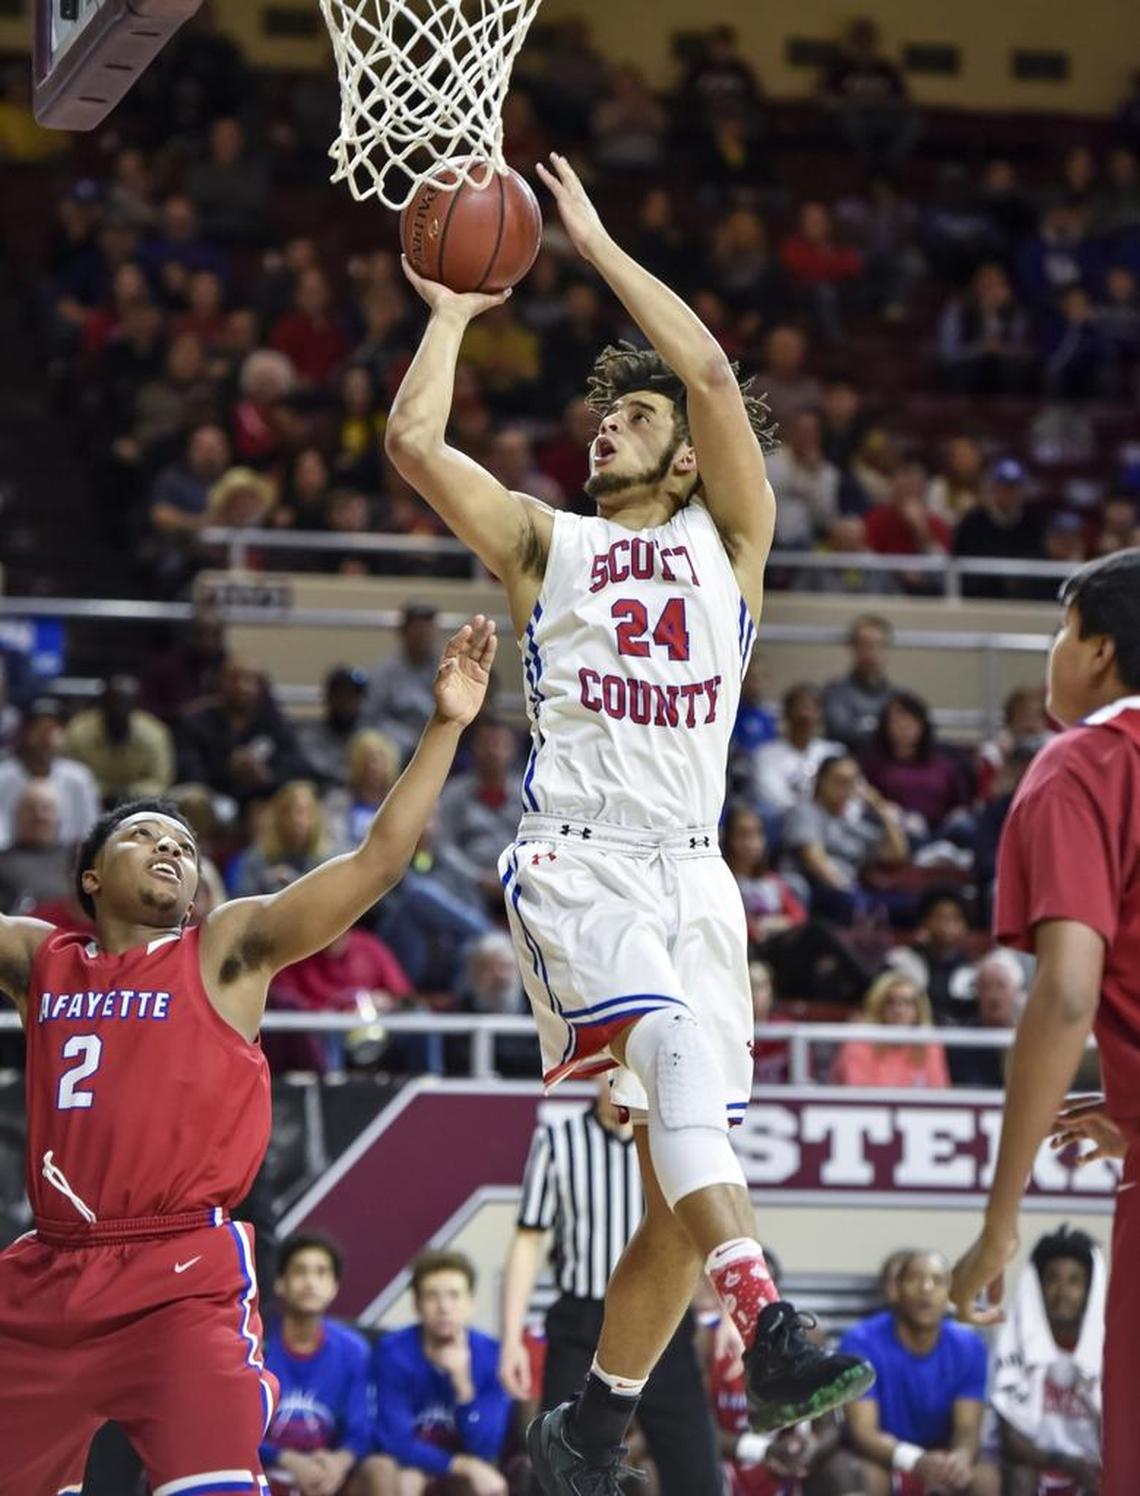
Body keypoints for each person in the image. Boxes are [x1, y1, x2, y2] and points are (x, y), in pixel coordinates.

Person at [385, 150, 873, 1494]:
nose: (608, 429)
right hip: (581, 862)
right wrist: (452, 311)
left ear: (682, 456)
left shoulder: (737, 542)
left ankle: (595, 1423)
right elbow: (416, 447)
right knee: (662, 1059)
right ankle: (766, 1317)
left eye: (633, 421)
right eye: (604, 419)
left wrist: (592, 245)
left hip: (696, 879)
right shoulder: (548, 542)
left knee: (676, 1180)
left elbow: (713, 377)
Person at [0, 615, 497, 1490]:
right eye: (144, 837)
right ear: (89, 877)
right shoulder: (44, 959)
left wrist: (446, 725)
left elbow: (379, 862)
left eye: (185, 847)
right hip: (48, 1273)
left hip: (176, 1274)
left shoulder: (223, 949)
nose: (171, 850)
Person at [949, 549, 1140, 1496]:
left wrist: (1000, 1217)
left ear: (1100, 650)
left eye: (1062, 632)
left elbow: (1067, 994)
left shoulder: (1085, 763)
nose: (1054, 653)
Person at [500, 1076, 723, 1496]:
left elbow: (707, 1229)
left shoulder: (672, 1144)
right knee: (556, 1469)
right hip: (581, 1322)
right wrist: (510, 1337)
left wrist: (730, 1315)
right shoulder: (558, 1139)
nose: (618, 1080)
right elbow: (528, 1239)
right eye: (610, 1071)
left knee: (696, 1471)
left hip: (663, 1324)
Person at [842, 1251, 997, 1495]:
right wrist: (914, 1459)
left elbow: (967, 1429)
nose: (926, 1288)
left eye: (938, 1281)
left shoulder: (969, 1346)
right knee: (862, 1476)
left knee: (985, 1478)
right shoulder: (860, 1341)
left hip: (942, 1453)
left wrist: (959, 1459)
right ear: (897, 1289)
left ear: (949, 1295)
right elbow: (863, 1432)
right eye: (915, 1278)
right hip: (885, 1455)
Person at [366, 1250, 511, 1495]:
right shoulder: (393, 1352)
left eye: (454, 1296)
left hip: (467, 1472)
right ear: (417, 1304)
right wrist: (461, 1464)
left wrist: (463, 1385)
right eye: (432, 1296)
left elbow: (487, 1447)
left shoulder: (491, 1354)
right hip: (414, 1466)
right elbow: (395, 1441)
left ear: (470, 1303)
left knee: (490, 1486)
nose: (444, 1307)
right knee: (406, 1481)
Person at [991, 1227, 1104, 1496]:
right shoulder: (1012, 1342)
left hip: (1094, 1468)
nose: (1062, 1292)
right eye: (1052, 1279)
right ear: (1037, 1288)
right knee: (1018, 1472)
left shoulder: (1110, 1349)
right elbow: (1012, 1442)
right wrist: (1068, 1462)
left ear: (1090, 1290)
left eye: (1075, 1281)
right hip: (1037, 1463)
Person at [261, 1234, 372, 1496]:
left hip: (326, 1477)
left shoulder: (354, 1350)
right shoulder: (255, 1343)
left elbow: (361, 1432)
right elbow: (234, 1431)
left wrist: (338, 1463)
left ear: (334, 1286)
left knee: (378, 1468)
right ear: (280, 1283)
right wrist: (286, 1458)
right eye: (300, 1271)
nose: (311, 1282)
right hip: (263, 1471)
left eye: (321, 1273)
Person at [781, 754, 908, 924]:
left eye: (851, 782)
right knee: (853, 904)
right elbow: (814, 859)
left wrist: (880, 808)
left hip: (854, 891)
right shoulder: (805, 812)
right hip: (820, 888)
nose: (844, 788)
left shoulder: (853, 823)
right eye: (838, 781)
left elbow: (896, 854)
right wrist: (850, 892)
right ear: (820, 781)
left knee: (907, 905)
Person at [175, 651, 308, 808]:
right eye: (234, 678)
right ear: (220, 681)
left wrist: (267, 777)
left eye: (249, 679)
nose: (242, 686)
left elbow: (295, 765)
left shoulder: (275, 721)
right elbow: (188, 771)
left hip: (262, 797)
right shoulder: (196, 721)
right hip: (213, 796)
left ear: (260, 685)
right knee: (193, 798)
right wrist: (227, 770)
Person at [434, 716, 523, 911]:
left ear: (511, 750)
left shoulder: (527, 795)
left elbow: (534, 844)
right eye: (485, 744)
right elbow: (444, 846)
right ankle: (483, 935)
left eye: (498, 744)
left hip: (518, 881)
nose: (492, 751)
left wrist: (514, 875)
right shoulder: (454, 792)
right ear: (473, 748)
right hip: (468, 884)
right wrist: (476, 877)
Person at [860, 691, 971, 840]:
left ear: (922, 723)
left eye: (910, 719)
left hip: (942, 831)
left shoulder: (943, 762)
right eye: (897, 720)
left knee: (965, 827)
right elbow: (866, 798)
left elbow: (961, 803)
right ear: (886, 726)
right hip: (897, 832)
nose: (904, 726)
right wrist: (888, 812)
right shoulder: (874, 763)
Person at [0, 697, 101, 849]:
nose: (46, 736)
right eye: (39, 728)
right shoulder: (3, 776)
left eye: (54, 729)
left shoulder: (79, 777)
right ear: (25, 732)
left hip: (65, 862)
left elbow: (90, 832)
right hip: (10, 860)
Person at [63, 673, 175, 803]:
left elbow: (160, 781)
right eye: (114, 701)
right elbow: (69, 776)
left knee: (193, 798)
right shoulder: (78, 731)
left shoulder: (154, 732)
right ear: (102, 702)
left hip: (142, 802)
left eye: (125, 702)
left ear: (135, 703)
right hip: (91, 800)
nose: (119, 708)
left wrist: (125, 793)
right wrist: (105, 792)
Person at [830, 972, 950, 1089]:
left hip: (916, 1110)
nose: (899, 1010)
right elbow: (858, 1097)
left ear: (919, 1009)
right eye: (891, 1002)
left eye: (907, 1003)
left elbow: (939, 1093)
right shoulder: (859, 1043)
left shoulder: (929, 1045)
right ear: (878, 1006)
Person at [750, 686, 845, 816]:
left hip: (833, 821)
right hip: (787, 822)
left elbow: (852, 793)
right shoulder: (766, 755)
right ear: (787, 714)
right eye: (800, 708)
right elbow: (774, 798)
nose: (806, 715)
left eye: (811, 708)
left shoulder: (834, 752)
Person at [365, 603, 442, 759]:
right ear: (403, 633)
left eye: (428, 628)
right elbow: (372, 718)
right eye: (418, 628)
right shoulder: (384, 673)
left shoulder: (447, 668)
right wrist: (412, 741)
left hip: (441, 742)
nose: (424, 634)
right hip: (398, 749)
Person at [821, 615, 895, 751]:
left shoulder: (898, 697)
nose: (871, 652)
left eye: (877, 645)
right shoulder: (835, 692)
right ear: (852, 648)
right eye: (865, 645)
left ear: (887, 649)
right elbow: (841, 733)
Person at [0, 782, 73, 915]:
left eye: (46, 809)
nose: (38, 816)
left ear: (59, 817)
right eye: (30, 809)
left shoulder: (76, 859)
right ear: (16, 816)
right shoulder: (2, 862)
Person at [297, 665, 370, 789]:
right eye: (340, 694)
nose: (346, 702)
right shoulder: (309, 738)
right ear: (328, 697)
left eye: (352, 695)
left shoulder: (369, 739)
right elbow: (318, 770)